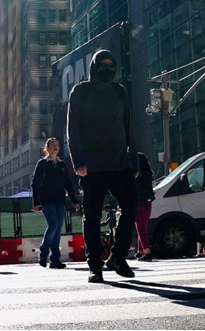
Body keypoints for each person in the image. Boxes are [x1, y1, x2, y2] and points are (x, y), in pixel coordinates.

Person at [66, 49, 139, 283]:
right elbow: (73, 128)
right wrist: (79, 161)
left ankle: (118, 257)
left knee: (131, 206)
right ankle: (95, 265)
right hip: (92, 165)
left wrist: (134, 161)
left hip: (120, 162)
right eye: (102, 65)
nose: (107, 69)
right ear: (94, 67)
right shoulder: (81, 91)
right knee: (92, 216)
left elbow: (130, 126)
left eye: (111, 65)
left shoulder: (120, 91)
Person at [31, 137, 81, 269]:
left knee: (58, 229)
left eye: (57, 144)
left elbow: (68, 185)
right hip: (46, 200)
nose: (56, 146)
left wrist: (74, 201)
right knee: (53, 225)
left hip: (60, 200)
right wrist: (36, 202)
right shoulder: (43, 163)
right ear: (47, 148)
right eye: (52, 144)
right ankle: (43, 252)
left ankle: (55, 259)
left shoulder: (62, 165)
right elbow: (35, 184)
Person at [134, 152, 155, 261]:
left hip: (139, 203)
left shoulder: (136, 176)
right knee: (142, 227)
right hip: (148, 203)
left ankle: (147, 253)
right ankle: (141, 250)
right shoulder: (148, 175)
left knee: (140, 228)